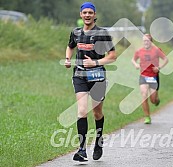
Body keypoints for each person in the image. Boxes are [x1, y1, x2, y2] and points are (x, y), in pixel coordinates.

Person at [64, 2, 116, 162]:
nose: (87, 15)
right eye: (84, 12)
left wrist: (96, 62)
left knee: (97, 113)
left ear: (94, 15)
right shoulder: (76, 32)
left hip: (97, 77)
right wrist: (68, 58)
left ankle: (99, 143)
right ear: (81, 14)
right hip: (79, 76)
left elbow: (112, 55)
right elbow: (70, 46)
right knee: (82, 111)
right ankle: (81, 150)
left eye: (90, 13)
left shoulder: (102, 33)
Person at [132, 34, 168, 124]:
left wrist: (159, 67)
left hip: (153, 77)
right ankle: (147, 117)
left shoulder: (156, 50)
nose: (146, 42)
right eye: (144, 41)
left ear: (151, 41)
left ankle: (156, 100)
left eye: (147, 40)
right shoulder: (139, 51)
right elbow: (133, 60)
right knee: (144, 96)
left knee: (153, 100)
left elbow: (166, 59)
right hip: (143, 76)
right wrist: (136, 64)